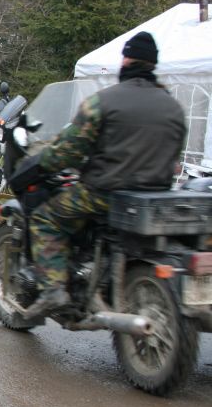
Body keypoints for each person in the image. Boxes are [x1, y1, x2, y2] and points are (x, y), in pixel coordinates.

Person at [25, 31, 186, 317]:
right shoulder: (173, 107)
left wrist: (43, 163)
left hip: (104, 195)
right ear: (152, 64)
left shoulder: (103, 101)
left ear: (126, 60)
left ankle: (53, 290)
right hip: (155, 200)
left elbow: (68, 151)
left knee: (45, 219)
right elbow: (174, 155)